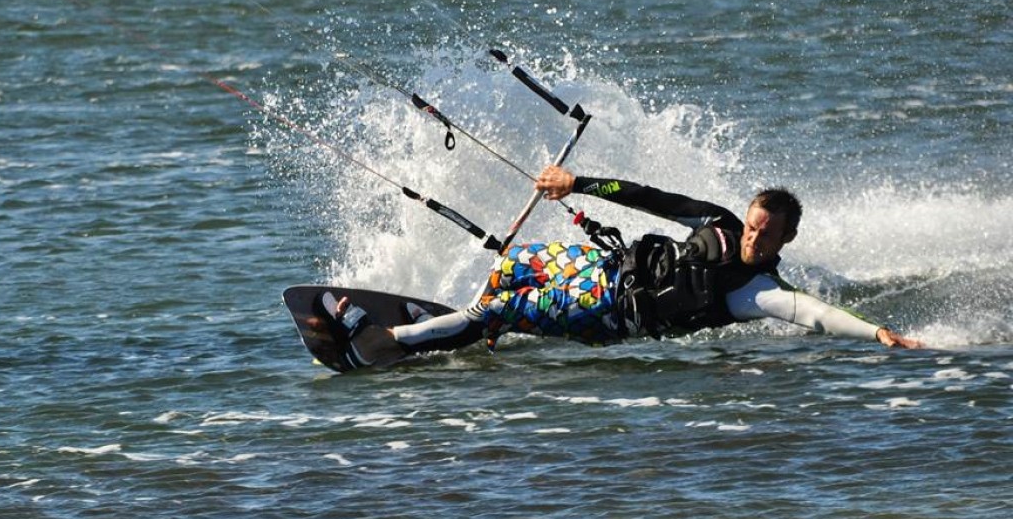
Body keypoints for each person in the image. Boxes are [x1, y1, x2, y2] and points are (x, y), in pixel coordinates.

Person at [321, 165, 921, 369]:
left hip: (612, 315)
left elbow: (813, 314)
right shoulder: (716, 220)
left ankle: (382, 341)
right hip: (607, 267)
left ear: (789, 237)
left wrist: (876, 333)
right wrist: (575, 183)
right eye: (754, 226)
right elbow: (645, 196)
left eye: (769, 236)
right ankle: (471, 333)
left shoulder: (757, 289)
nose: (754, 241)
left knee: (499, 306)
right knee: (516, 263)